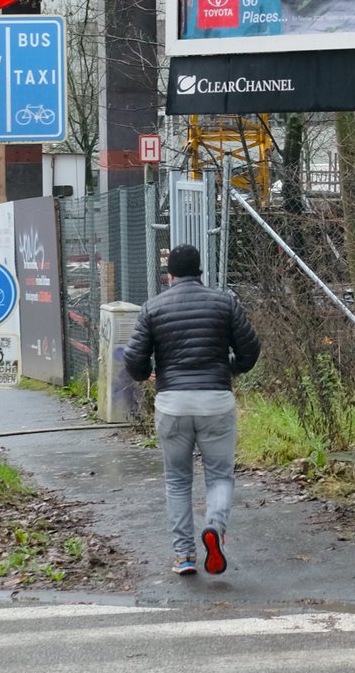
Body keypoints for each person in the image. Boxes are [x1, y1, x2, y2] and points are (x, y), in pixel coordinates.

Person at [123, 243, 262, 577]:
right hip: (215, 399)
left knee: (177, 480)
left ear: (169, 274)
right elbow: (251, 348)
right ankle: (214, 526)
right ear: (201, 271)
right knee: (219, 474)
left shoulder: (153, 308)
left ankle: (184, 555)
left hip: (172, 403)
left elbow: (133, 358)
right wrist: (230, 367)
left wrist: (147, 374)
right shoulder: (224, 303)